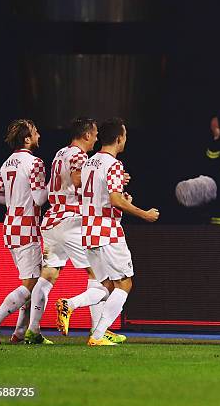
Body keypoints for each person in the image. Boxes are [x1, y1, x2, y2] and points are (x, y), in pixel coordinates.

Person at [27, 118, 125, 344]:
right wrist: (107, 183)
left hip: (52, 222)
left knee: (48, 275)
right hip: (71, 221)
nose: (98, 138)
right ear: (87, 135)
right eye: (96, 133)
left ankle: (33, 331)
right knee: (101, 277)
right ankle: (96, 330)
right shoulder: (80, 156)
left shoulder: (60, 153)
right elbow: (78, 179)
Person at [80, 118, 159, 346]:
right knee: (125, 284)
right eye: (124, 135)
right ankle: (97, 335)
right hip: (108, 231)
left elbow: (100, 195)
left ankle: (71, 305)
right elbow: (114, 199)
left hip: (89, 230)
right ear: (119, 138)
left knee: (105, 285)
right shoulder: (114, 164)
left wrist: (121, 199)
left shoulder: (89, 163)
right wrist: (144, 214)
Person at [0, 119, 47, 344]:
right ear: (27, 139)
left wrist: (15, 203)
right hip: (27, 229)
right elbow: (40, 198)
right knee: (31, 284)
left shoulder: (7, 163)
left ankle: (18, 334)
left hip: (10, 227)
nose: (38, 135)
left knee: (31, 283)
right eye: (35, 132)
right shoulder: (35, 163)